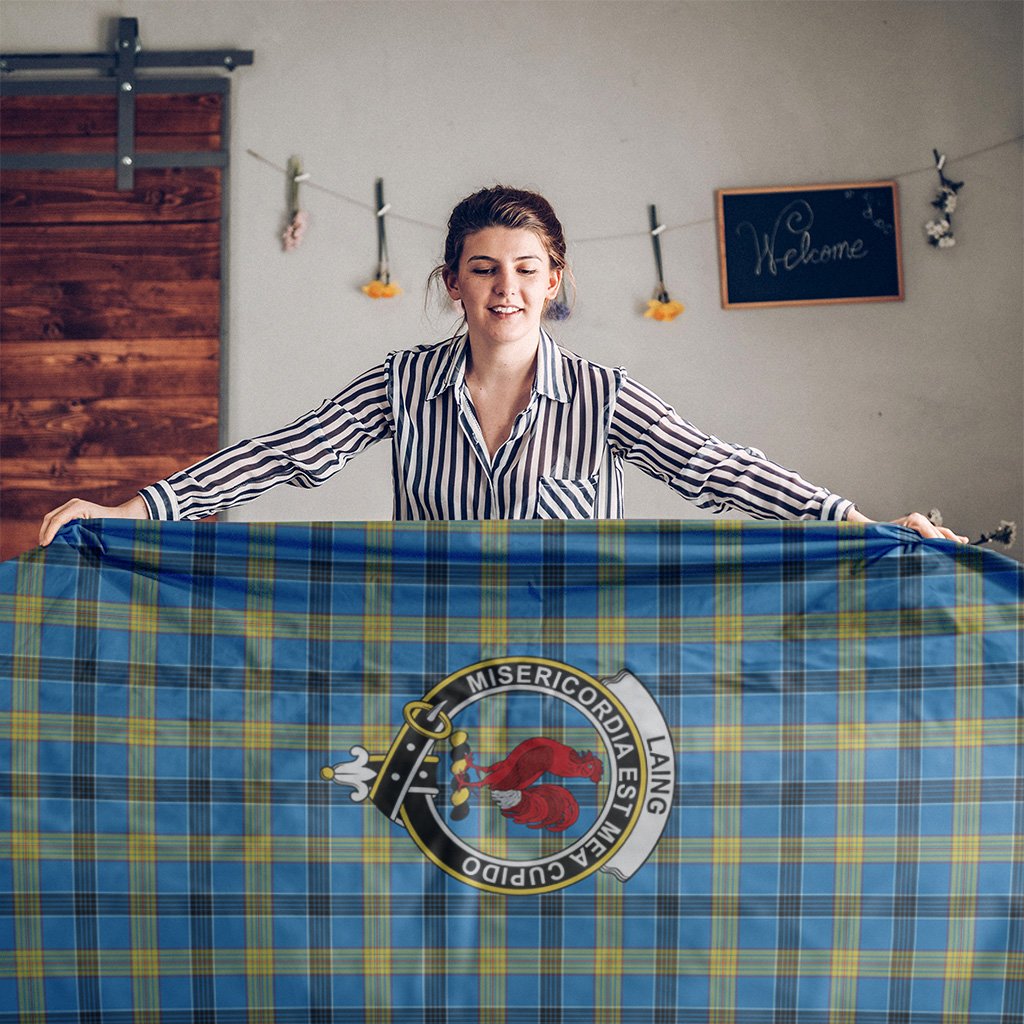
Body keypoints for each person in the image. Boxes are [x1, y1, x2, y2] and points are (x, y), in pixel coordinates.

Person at [38, 186, 967, 546]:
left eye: (526, 271)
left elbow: (718, 468)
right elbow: (284, 455)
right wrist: (133, 512)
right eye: (484, 269)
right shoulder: (402, 382)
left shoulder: (603, 396)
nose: (506, 289)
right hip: (434, 658)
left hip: (581, 663)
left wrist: (859, 522)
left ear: (555, 280)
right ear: (453, 283)